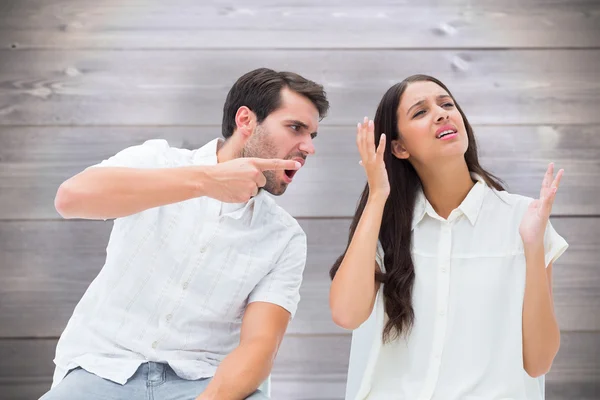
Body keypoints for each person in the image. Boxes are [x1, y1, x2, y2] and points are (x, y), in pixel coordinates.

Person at [41, 68, 329, 400]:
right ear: (246, 120)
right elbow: (71, 199)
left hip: (206, 383)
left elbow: (259, 347)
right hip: (102, 370)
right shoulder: (156, 160)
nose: (308, 147)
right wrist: (205, 181)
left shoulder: (284, 238)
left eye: (312, 136)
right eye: (295, 128)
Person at [329, 74, 568, 400]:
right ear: (399, 147)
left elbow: (538, 362)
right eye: (420, 112)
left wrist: (533, 247)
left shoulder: (524, 218)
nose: (441, 114)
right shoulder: (385, 224)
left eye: (446, 104)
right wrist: (377, 195)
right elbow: (346, 315)